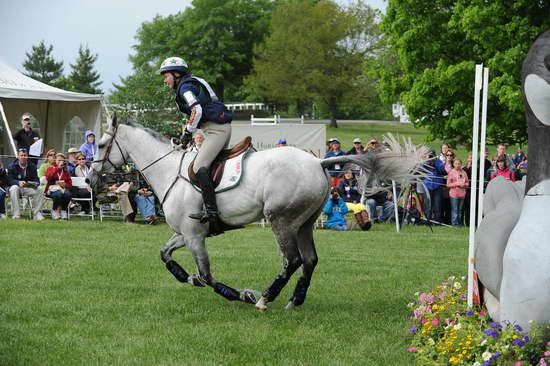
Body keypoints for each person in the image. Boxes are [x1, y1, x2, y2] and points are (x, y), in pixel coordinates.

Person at [159, 56, 233, 235]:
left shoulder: (185, 87)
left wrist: (187, 132)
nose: (165, 80)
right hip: (215, 129)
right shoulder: (191, 83)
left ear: (176, 74)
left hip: (216, 130)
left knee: (199, 167)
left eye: (166, 75)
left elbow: (196, 109)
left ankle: (212, 213)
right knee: (213, 168)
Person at [7, 148, 44, 220]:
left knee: (40, 189)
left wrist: (32, 184)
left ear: (27, 156)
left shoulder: (32, 166)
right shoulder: (11, 166)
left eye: (25, 155)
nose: (23, 157)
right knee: (14, 188)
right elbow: (9, 180)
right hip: (16, 188)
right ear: (18, 156)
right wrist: (18, 182)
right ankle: (16, 214)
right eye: (21, 155)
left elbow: (37, 180)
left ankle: (36, 214)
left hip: (28, 188)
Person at [419, 149, 446, 223]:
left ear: (434, 155)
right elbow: (420, 168)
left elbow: (441, 170)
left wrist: (434, 162)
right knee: (428, 205)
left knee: (437, 205)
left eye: (432, 155)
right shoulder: (425, 161)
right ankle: (428, 221)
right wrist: (427, 161)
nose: (431, 156)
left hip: (437, 186)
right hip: (427, 186)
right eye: (429, 155)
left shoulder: (438, 162)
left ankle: (437, 221)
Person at [45, 153, 73, 220]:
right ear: (55, 161)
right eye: (59, 160)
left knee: (68, 194)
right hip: (52, 189)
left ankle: (63, 210)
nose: (61, 162)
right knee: (58, 194)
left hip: (62, 189)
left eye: (62, 161)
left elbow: (70, 184)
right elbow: (48, 178)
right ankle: (54, 210)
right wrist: (57, 168)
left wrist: (65, 185)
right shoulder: (51, 168)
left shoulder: (66, 172)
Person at [447, 158, 469, 226]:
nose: (457, 165)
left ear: (461, 164)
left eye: (459, 164)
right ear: (453, 164)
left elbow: (467, 183)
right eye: (456, 164)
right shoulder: (451, 172)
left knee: (460, 210)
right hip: (454, 194)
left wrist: (464, 185)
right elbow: (448, 184)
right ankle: (454, 223)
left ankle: (459, 223)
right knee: (455, 210)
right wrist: (457, 184)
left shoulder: (464, 172)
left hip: (462, 194)